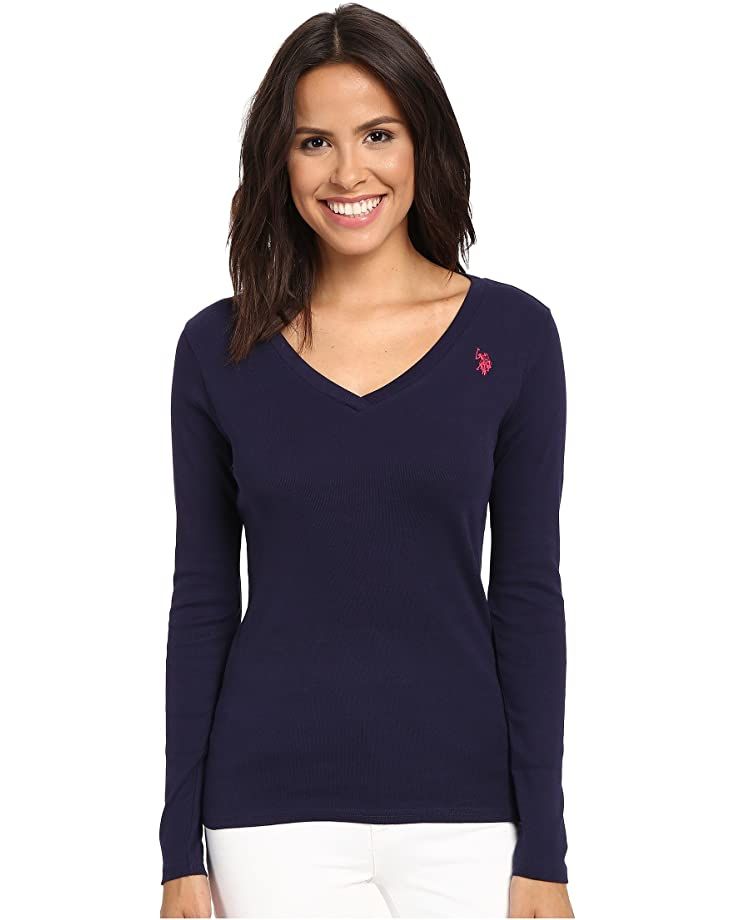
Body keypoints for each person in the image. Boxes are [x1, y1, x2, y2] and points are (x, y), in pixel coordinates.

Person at [159, 4, 575, 918]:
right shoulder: (218, 350)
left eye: (378, 134)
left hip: (471, 817)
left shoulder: (514, 336)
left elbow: (526, 599)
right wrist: (176, 849)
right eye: (315, 141)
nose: (349, 172)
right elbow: (203, 602)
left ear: (423, 141)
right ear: (280, 161)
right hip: (269, 817)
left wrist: (545, 846)